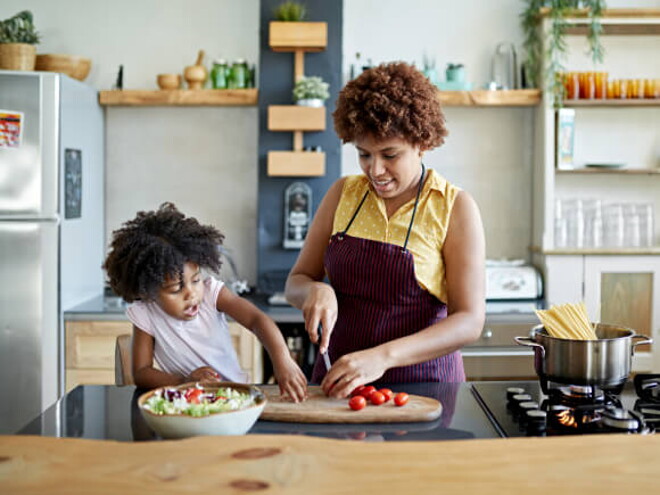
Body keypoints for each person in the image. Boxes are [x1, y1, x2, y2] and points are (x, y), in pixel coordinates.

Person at [285, 62, 485, 398]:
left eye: (389, 155)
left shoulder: (453, 207)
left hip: (424, 390)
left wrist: (382, 357)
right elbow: (296, 282)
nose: (375, 170)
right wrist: (315, 291)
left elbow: (469, 320)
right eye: (364, 155)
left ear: (422, 142)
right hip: (339, 383)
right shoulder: (343, 194)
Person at [103, 203, 307, 401]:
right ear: (149, 292)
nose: (191, 294)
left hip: (236, 397)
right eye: (175, 289)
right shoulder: (146, 313)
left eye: (196, 280)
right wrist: (185, 381)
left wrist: (283, 360)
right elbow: (141, 372)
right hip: (187, 403)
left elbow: (256, 319)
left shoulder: (211, 294)